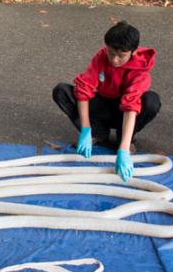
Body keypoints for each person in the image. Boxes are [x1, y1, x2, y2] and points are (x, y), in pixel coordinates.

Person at [52, 21, 161, 182]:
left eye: (121, 56)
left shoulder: (141, 72)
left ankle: (125, 139)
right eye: (111, 53)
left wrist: (123, 150)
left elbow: (131, 106)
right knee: (62, 91)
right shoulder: (102, 56)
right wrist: (85, 130)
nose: (115, 60)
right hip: (103, 104)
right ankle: (97, 133)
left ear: (134, 51)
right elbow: (84, 89)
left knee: (151, 101)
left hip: (123, 113)